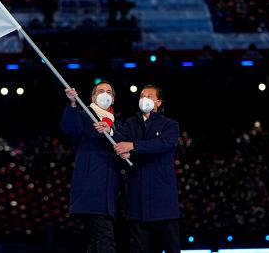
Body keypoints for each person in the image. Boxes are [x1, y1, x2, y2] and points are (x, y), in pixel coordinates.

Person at [111, 85, 181, 253]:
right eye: (142, 95)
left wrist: (133, 147)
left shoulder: (170, 125)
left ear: (158, 103)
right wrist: (111, 131)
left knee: (171, 245)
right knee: (138, 246)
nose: (145, 98)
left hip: (163, 199)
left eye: (150, 95)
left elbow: (163, 144)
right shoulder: (130, 123)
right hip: (137, 197)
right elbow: (121, 142)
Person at [61, 81, 122, 253]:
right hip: (91, 187)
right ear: (93, 97)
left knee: (98, 239)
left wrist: (110, 131)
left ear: (113, 98)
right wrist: (72, 103)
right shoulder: (83, 115)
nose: (105, 94)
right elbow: (68, 128)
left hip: (109, 190)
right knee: (105, 236)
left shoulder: (116, 122)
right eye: (100, 91)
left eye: (108, 91)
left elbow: (123, 141)